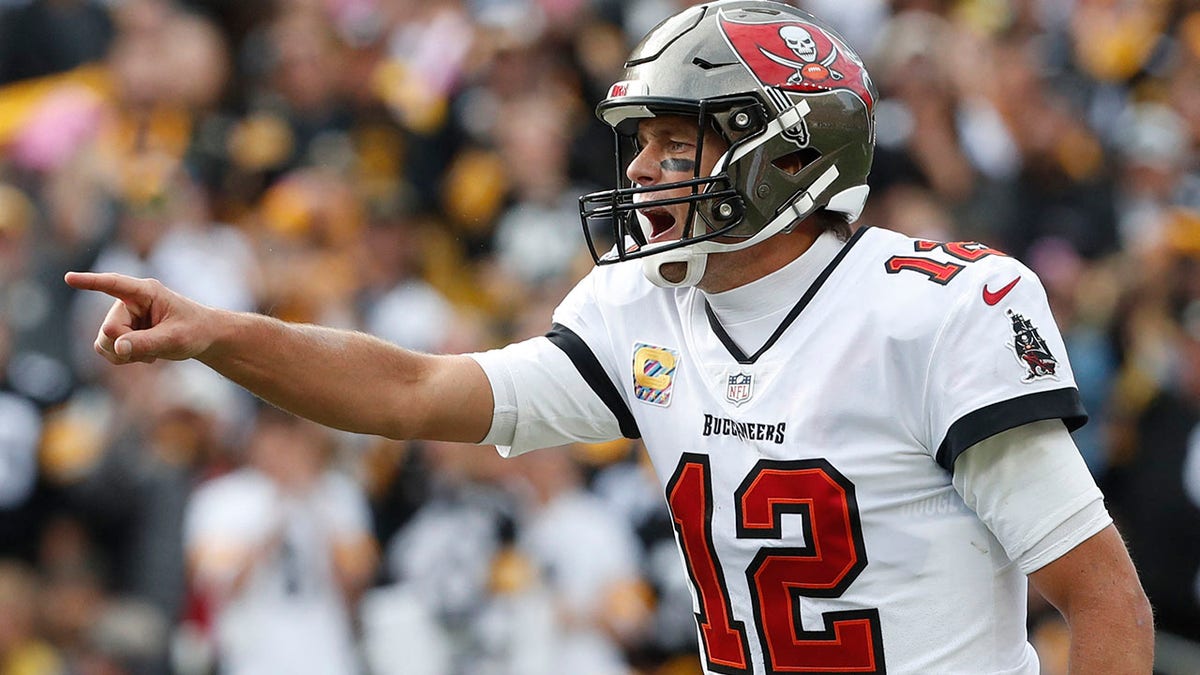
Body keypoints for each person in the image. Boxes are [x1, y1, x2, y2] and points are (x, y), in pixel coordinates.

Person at [67, 1, 1153, 672]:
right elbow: (412, 394)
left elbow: (1103, 602)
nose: (638, 174)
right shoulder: (645, 307)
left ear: (784, 154)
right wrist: (221, 335)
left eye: (675, 143)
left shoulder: (931, 310)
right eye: (637, 143)